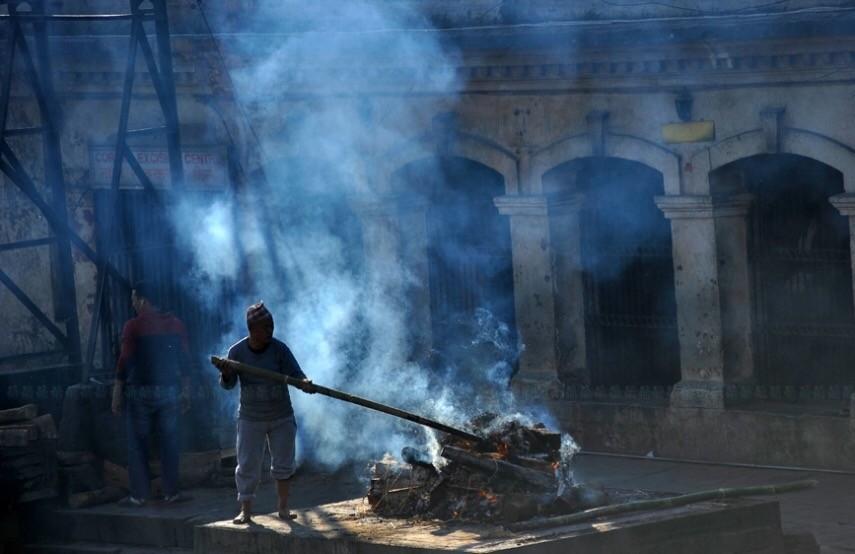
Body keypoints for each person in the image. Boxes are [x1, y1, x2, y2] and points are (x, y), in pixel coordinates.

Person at [214, 301, 315, 524]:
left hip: (281, 415)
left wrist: (304, 383)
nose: (270, 331)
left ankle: (283, 507)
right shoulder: (236, 352)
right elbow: (227, 385)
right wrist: (227, 373)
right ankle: (246, 511)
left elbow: (296, 373)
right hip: (250, 417)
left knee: (283, 463)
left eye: (271, 327)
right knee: (247, 465)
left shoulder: (279, 349)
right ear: (252, 330)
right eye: (265, 328)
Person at [111, 281, 191, 506]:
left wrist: (116, 393)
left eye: (135, 299)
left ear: (144, 301)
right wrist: (186, 392)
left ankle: (139, 495)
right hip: (169, 391)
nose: (132, 303)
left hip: (139, 393)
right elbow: (185, 362)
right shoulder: (176, 325)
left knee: (138, 444)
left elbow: (124, 362)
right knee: (169, 442)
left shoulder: (133, 327)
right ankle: (171, 492)